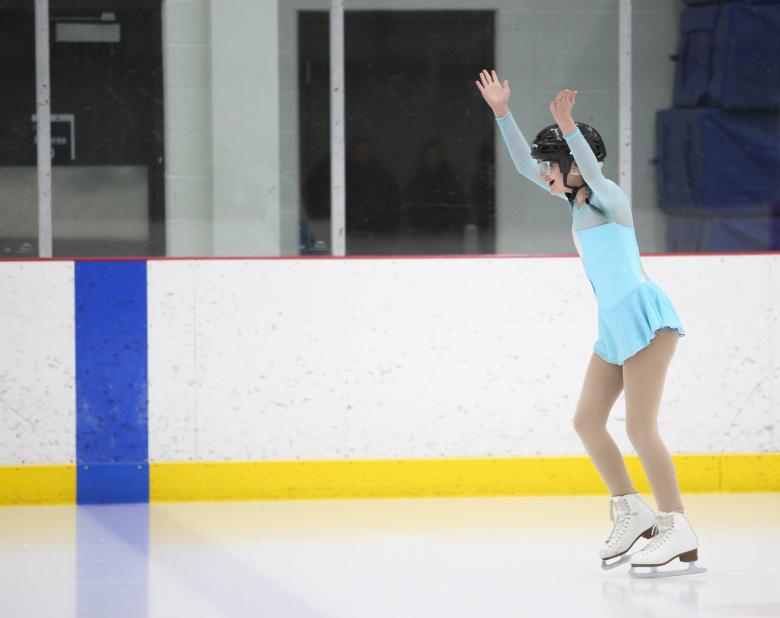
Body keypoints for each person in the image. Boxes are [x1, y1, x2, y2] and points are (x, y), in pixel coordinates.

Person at [475, 69, 706, 579]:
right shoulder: (571, 199)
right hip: (613, 329)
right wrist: (502, 113)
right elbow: (518, 164)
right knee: (587, 422)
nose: (545, 172)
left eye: (552, 165)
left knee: (641, 428)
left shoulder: (609, 198)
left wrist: (569, 127)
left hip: (647, 321)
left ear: (574, 165)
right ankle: (633, 510)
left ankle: (678, 524)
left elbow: (595, 176)